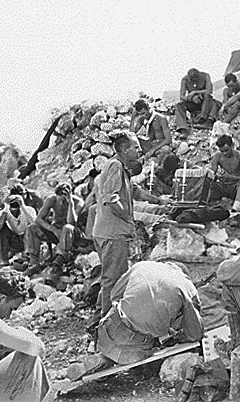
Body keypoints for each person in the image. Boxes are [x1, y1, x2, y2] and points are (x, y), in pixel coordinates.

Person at [96, 260, 203, 366]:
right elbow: (195, 334)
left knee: (119, 308)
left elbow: (114, 296)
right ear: (184, 275)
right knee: (152, 344)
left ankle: (102, 358)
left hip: (108, 331)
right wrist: (178, 335)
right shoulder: (187, 287)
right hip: (138, 345)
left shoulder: (141, 266)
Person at [89, 134, 146, 329]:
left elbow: (136, 191)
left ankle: (97, 321)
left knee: (109, 278)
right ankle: (107, 327)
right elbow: (111, 199)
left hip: (107, 232)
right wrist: (128, 218)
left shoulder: (123, 170)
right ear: (123, 149)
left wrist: (159, 201)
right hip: (113, 233)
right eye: (135, 147)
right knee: (114, 281)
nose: (139, 151)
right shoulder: (115, 166)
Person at [0, 270, 49, 402]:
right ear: (0, 299)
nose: (8, 316)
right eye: (11, 309)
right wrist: (21, 332)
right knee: (28, 357)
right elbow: (38, 348)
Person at [24, 182, 84, 278]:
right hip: (56, 230)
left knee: (67, 227)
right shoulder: (51, 200)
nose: (61, 203)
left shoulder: (78, 202)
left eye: (63, 200)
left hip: (72, 234)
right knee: (32, 228)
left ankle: (58, 262)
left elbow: (71, 222)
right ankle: (34, 263)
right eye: (59, 199)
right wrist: (53, 229)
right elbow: (39, 219)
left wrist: (70, 204)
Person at [209, 135, 240, 211]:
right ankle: (204, 204)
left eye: (226, 150)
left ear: (232, 145)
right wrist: (216, 176)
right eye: (222, 151)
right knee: (208, 180)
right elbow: (211, 173)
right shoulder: (217, 156)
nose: (224, 153)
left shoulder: (239, 155)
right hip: (223, 186)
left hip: (236, 187)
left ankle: (236, 207)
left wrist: (229, 177)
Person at [175, 68, 220, 136]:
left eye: (194, 79)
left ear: (198, 76)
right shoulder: (184, 80)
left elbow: (209, 90)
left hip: (204, 102)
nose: (192, 81)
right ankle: (183, 127)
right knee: (179, 105)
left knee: (209, 97)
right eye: (190, 79)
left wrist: (195, 92)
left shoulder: (205, 76)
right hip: (193, 102)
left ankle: (203, 118)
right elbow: (181, 96)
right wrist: (191, 99)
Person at [0, 195, 37, 265]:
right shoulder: (5, 212)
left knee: (30, 227)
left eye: (16, 204)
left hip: (28, 241)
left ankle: (28, 256)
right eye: (12, 204)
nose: (14, 207)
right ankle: (4, 260)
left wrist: (23, 207)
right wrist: (6, 209)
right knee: (2, 229)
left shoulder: (30, 210)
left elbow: (35, 225)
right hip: (14, 241)